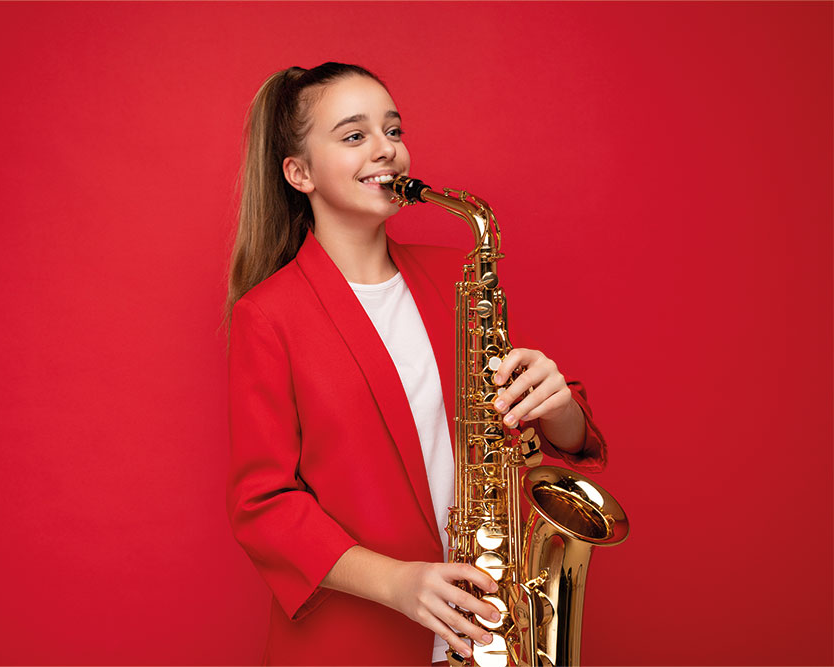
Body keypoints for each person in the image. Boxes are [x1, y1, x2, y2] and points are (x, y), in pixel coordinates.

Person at [224, 62, 607, 666]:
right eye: (354, 136)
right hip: (354, 642)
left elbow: (529, 435)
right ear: (300, 174)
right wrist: (399, 583)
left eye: (393, 130)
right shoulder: (268, 316)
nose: (387, 150)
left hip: (487, 627)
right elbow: (263, 505)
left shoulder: (456, 275)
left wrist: (558, 409)